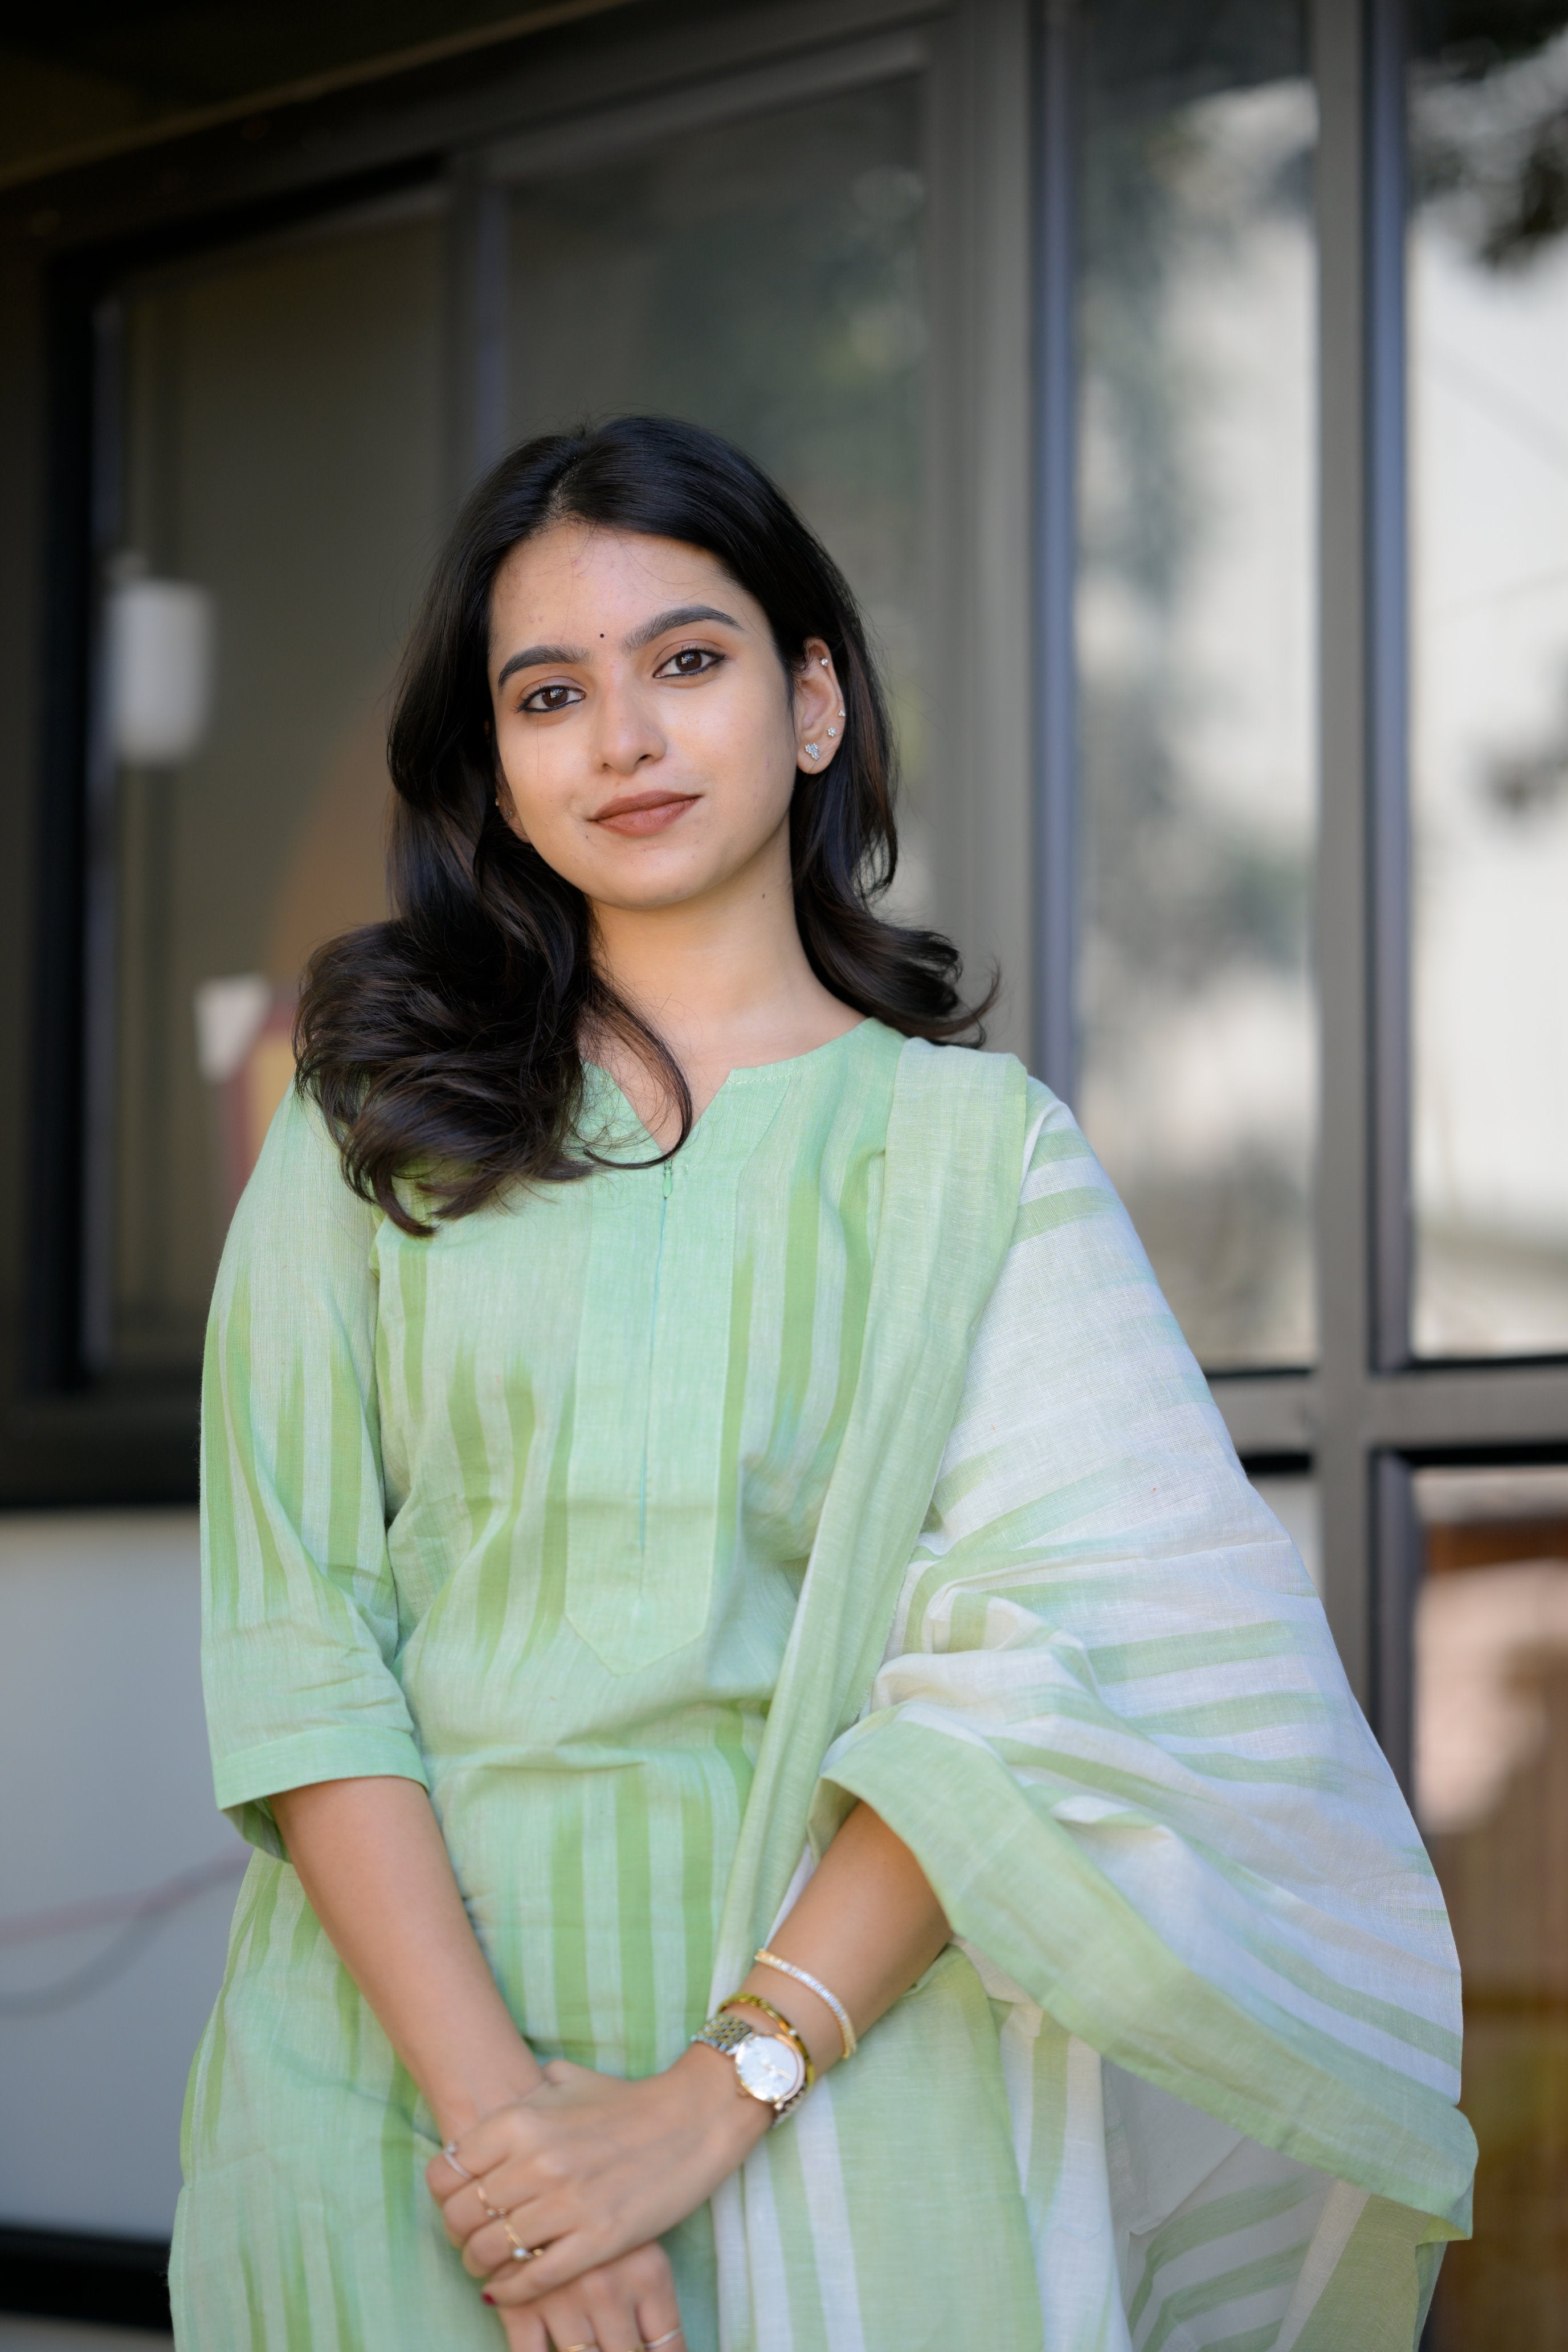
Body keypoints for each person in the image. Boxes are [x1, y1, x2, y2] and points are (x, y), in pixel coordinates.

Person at [172, 415, 1474, 2352]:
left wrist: (711, 2105)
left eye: (685, 661)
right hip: (390, 2088)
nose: (622, 736)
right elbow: (299, 1638)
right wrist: (523, 2153)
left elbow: (1053, 1679)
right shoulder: (368, 1120)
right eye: (550, 693)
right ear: (500, 778)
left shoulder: (977, 1160)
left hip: (843, 2089)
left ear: (809, 705)